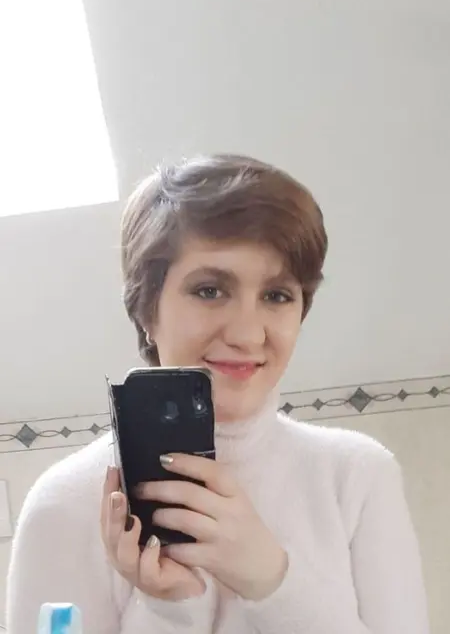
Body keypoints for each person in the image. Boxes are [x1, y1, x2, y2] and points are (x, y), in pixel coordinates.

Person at [6, 154, 429, 633]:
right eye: (209, 290)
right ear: (146, 308)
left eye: (277, 295)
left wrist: (271, 581)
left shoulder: (357, 477)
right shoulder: (65, 504)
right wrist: (170, 610)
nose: (248, 334)